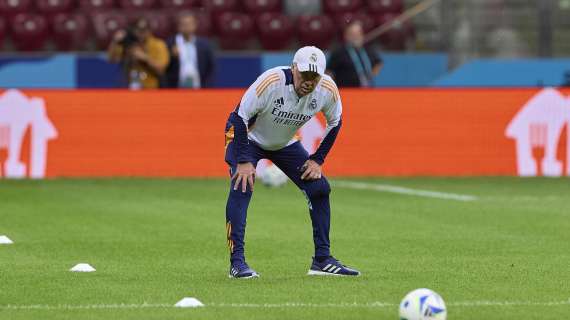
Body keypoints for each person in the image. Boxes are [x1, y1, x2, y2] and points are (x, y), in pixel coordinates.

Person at [224, 46, 360, 278]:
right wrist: (244, 159)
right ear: (294, 68)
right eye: (304, 74)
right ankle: (237, 263)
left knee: (319, 188)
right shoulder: (272, 81)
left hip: (284, 143)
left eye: (314, 77)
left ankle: (322, 260)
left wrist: (317, 159)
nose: (309, 82)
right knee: (242, 185)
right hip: (247, 137)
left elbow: (335, 122)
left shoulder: (327, 89)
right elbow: (240, 116)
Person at [107, 18, 170, 89]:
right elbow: (111, 59)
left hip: (151, 88)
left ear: (149, 30)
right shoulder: (128, 44)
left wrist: (145, 58)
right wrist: (115, 41)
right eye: (138, 30)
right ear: (133, 30)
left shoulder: (158, 44)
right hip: (130, 86)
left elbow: (161, 69)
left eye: (144, 30)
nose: (141, 33)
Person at [164, 13, 216, 88]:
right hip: (176, 88)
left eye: (189, 24)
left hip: (199, 87)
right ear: (178, 26)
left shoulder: (204, 45)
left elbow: (211, 67)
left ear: (195, 25)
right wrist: (171, 55)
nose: (186, 27)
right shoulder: (170, 44)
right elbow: (163, 67)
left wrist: (207, 86)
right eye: (183, 24)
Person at [326, 22, 382, 87]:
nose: (356, 37)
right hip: (346, 91)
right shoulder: (339, 52)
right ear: (346, 36)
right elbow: (329, 71)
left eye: (358, 34)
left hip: (367, 90)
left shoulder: (367, 50)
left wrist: (371, 75)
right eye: (352, 34)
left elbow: (378, 62)